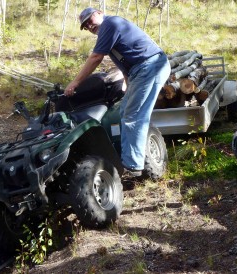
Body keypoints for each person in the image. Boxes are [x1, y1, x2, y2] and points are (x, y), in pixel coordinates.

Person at [64, 7, 171, 176]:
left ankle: (132, 164)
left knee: (133, 115)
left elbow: (96, 58)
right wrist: (128, 86)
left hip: (151, 66)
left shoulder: (110, 24)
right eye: (85, 26)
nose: (89, 27)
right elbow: (126, 64)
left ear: (99, 13)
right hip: (141, 70)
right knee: (124, 110)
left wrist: (75, 83)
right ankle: (131, 157)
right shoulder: (107, 32)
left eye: (89, 21)